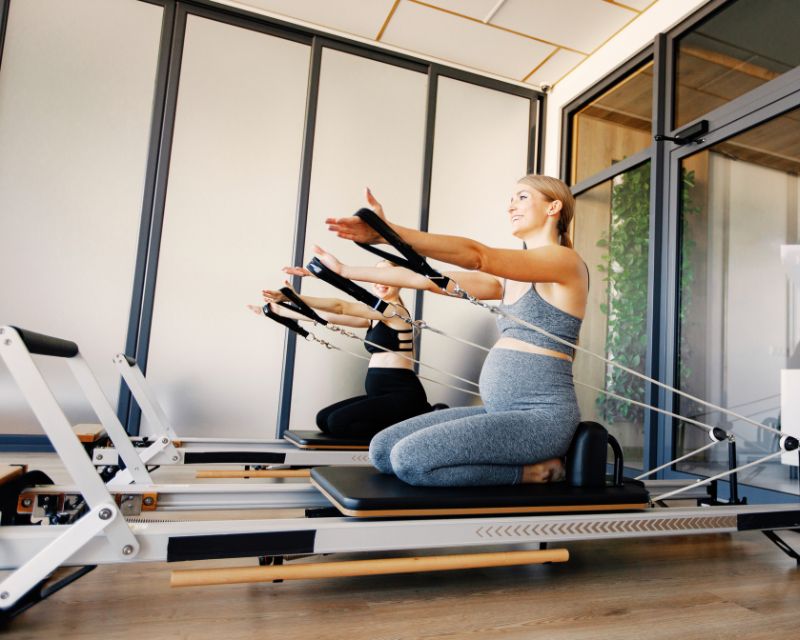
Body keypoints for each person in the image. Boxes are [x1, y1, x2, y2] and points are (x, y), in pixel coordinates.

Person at [322, 177, 588, 485]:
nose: (510, 204)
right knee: (381, 450)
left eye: (522, 196)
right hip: (498, 412)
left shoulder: (565, 262)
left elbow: (478, 255)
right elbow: (427, 280)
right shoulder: (507, 281)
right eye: (511, 197)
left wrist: (389, 231)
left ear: (553, 206)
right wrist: (343, 272)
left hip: (539, 421)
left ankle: (535, 472)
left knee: (409, 460)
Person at [260, 256, 433, 439]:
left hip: (403, 395)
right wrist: (279, 310)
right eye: (376, 276)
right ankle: (403, 424)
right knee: (324, 419)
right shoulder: (373, 316)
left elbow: (341, 306)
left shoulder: (395, 312)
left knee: (338, 422)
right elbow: (326, 316)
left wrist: (297, 297)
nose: (381, 282)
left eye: (387, 277)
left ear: (399, 282)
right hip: (381, 394)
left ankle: (409, 427)